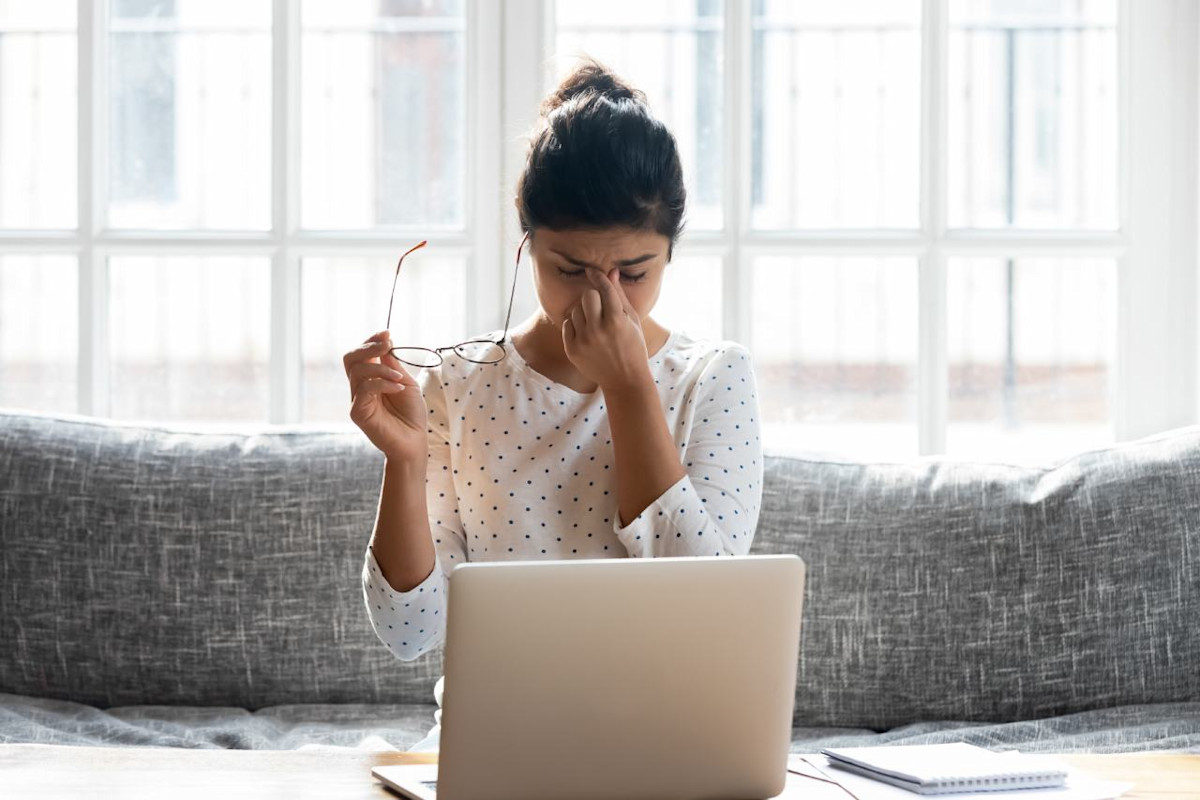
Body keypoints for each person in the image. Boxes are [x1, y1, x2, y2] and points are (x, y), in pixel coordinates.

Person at [344, 56, 764, 753]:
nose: (603, 298)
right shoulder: (459, 384)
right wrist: (405, 463)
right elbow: (409, 633)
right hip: (498, 746)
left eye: (634, 273)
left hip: (667, 746)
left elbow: (706, 610)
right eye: (569, 270)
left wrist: (630, 387)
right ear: (526, 245)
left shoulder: (714, 380)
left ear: (670, 252)